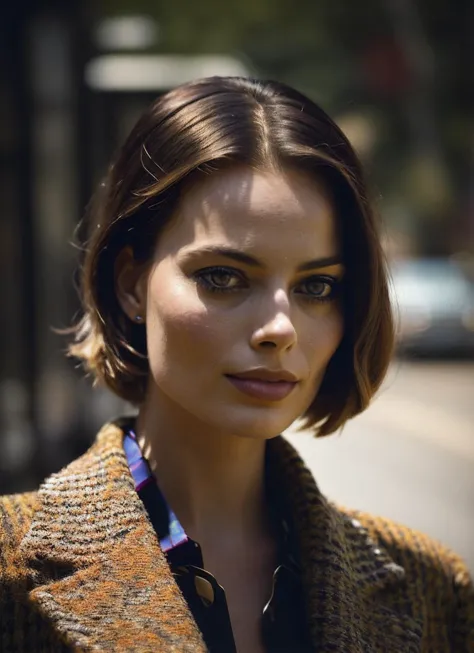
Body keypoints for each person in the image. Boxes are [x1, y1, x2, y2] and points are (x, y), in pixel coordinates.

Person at [0, 76, 472, 653]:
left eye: (317, 286)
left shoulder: (433, 589)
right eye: (223, 277)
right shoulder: (11, 572)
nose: (279, 328)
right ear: (131, 283)